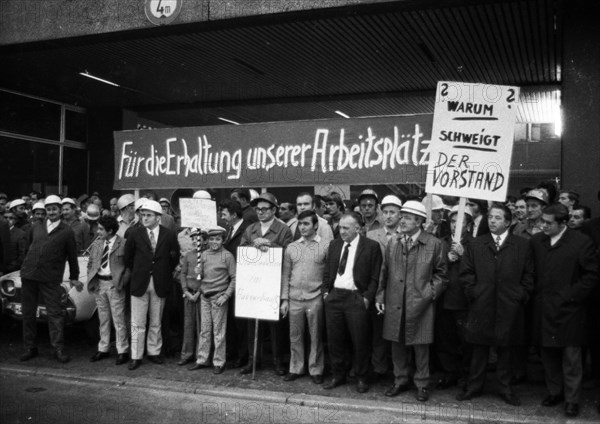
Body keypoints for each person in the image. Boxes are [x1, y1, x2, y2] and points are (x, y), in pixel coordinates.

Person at [457, 203, 534, 406]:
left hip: (509, 305)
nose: (492, 221)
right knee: (479, 349)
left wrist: (520, 295)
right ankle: (474, 387)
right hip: (482, 303)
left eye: (498, 218)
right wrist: (474, 292)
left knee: (506, 349)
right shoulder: (475, 244)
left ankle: (505, 388)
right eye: (490, 217)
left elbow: (529, 275)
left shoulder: (522, 245)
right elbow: (466, 274)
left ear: (508, 222)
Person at [531, 204, 599, 418]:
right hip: (543, 308)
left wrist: (570, 295)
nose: (543, 225)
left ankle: (572, 400)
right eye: (542, 221)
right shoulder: (536, 242)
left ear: (563, 223)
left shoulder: (581, 243)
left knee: (571, 358)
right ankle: (555, 392)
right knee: (548, 354)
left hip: (570, 310)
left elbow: (591, 276)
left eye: (548, 223)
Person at [375, 201, 447, 402]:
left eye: (407, 217)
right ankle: (400, 380)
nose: (402, 220)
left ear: (419, 221)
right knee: (396, 343)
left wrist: (430, 294)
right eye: (403, 216)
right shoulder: (394, 242)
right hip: (395, 300)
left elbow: (442, 274)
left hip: (420, 302)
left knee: (420, 345)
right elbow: (385, 271)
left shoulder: (433, 243)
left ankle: (422, 384)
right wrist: (381, 295)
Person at [323, 212, 382, 393]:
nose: (341, 231)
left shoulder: (371, 246)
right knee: (335, 340)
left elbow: (375, 276)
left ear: (357, 228)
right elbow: (327, 271)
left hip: (356, 297)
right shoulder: (334, 244)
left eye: (346, 228)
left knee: (360, 340)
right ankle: (338, 375)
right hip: (334, 298)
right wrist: (326, 292)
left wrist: (366, 298)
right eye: (340, 227)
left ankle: (362, 377)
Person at [19, 195, 81, 363]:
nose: (51, 212)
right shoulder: (36, 226)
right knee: (28, 313)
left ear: (60, 210)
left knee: (54, 314)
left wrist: (74, 277)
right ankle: (29, 347)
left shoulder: (66, 231)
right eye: (49, 209)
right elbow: (29, 248)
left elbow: (72, 257)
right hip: (29, 276)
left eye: (55, 209)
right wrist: (25, 267)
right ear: (45, 210)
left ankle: (58, 349)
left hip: (50, 278)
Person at [239, 192, 292, 375]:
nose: (260, 212)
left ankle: (278, 361)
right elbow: (242, 249)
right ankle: (254, 360)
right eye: (258, 209)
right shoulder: (251, 228)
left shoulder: (283, 229)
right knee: (253, 322)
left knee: (274, 325)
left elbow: (287, 252)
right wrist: (253, 245)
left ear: (274, 210)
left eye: (265, 209)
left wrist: (268, 245)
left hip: (273, 282)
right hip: (254, 282)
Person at [124, 200, 180, 370]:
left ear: (158, 217)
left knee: (156, 321)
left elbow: (174, 258)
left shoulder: (168, 234)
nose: (145, 218)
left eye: (149, 215)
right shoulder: (134, 233)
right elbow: (128, 258)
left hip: (160, 283)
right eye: (143, 215)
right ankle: (136, 355)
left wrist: (161, 272)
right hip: (140, 282)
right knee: (137, 322)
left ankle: (154, 352)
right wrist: (141, 271)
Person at [280, 210, 330, 384]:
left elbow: (328, 275)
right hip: (294, 298)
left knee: (316, 335)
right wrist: (284, 299)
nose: (302, 227)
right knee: (295, 335)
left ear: (315, 225)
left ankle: (316, 369)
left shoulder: (326, 245)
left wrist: (325, 295)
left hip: (315, 297)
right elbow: (285, 274)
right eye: (300, 223)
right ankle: (296, 367)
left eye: (306, 223)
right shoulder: (292, 247)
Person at [434, 205, 473, 390]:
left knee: (465, 340)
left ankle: (467, 375)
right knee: (445, 338)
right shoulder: (441, 243)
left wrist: (464, 256)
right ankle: (449, 372)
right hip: (444, 298)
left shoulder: (474, 244)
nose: (455, 225)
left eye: (461, 222)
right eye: (453, 221)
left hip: (464, 300)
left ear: (469, 225)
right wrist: (447, 260)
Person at [189, 227, 236, 374]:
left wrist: (226, 295)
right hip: (205, 296)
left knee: (219, 331)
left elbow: (234, 278)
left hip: (218, 297)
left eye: (217, 239)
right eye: (211, 239)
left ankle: (219, 361)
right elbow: (202, 275)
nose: (214, 242)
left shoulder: (227, 256)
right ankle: (202, 359)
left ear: (222, 240)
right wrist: (199, 272)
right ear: (207, 240)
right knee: (205, 330)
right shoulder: (203, 254)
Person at [367, 195, 403, 381]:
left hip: (399, 290)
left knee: (398, 332)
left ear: (400, 215)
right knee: (378, 331)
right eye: (385, 212)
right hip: (377, 288)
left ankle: (398, 370)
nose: (388, 216)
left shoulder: (405, 235)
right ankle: (379, 369)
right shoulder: (372, 235)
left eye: (392, 212)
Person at [87, 215, 129, 365]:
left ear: (110, 230)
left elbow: (129, 266)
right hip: (100, 284)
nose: (98, 232)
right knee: (103, 319)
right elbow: (91, 263)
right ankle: (103, 348)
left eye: (101, 229)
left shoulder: (123, 244)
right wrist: (92, 278)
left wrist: (122, 282)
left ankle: (122, 350)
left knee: (119, 319)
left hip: (114, 285)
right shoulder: (97, 244)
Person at [220, 199, 250, 368]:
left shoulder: (247, 229)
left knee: (241, 321)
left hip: (242, 281)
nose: (222, 217)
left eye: (224, 213)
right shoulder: (229, 229)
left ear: (233, 214)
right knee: (232, 319)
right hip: (230, 280)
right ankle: (233, 352)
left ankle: (242, 355)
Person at [177, 229, 202, 366]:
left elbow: (208, 277)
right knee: (188, 325)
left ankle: (200, 354)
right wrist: (185, 290)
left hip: (201, 295)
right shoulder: (188, 256)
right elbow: (183, 274)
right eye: (192, 238)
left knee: (201, 326)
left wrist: (199, 292)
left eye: (197, 238)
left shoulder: (205, 255)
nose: (194, 241)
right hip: (188, 294)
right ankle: (187, 354)